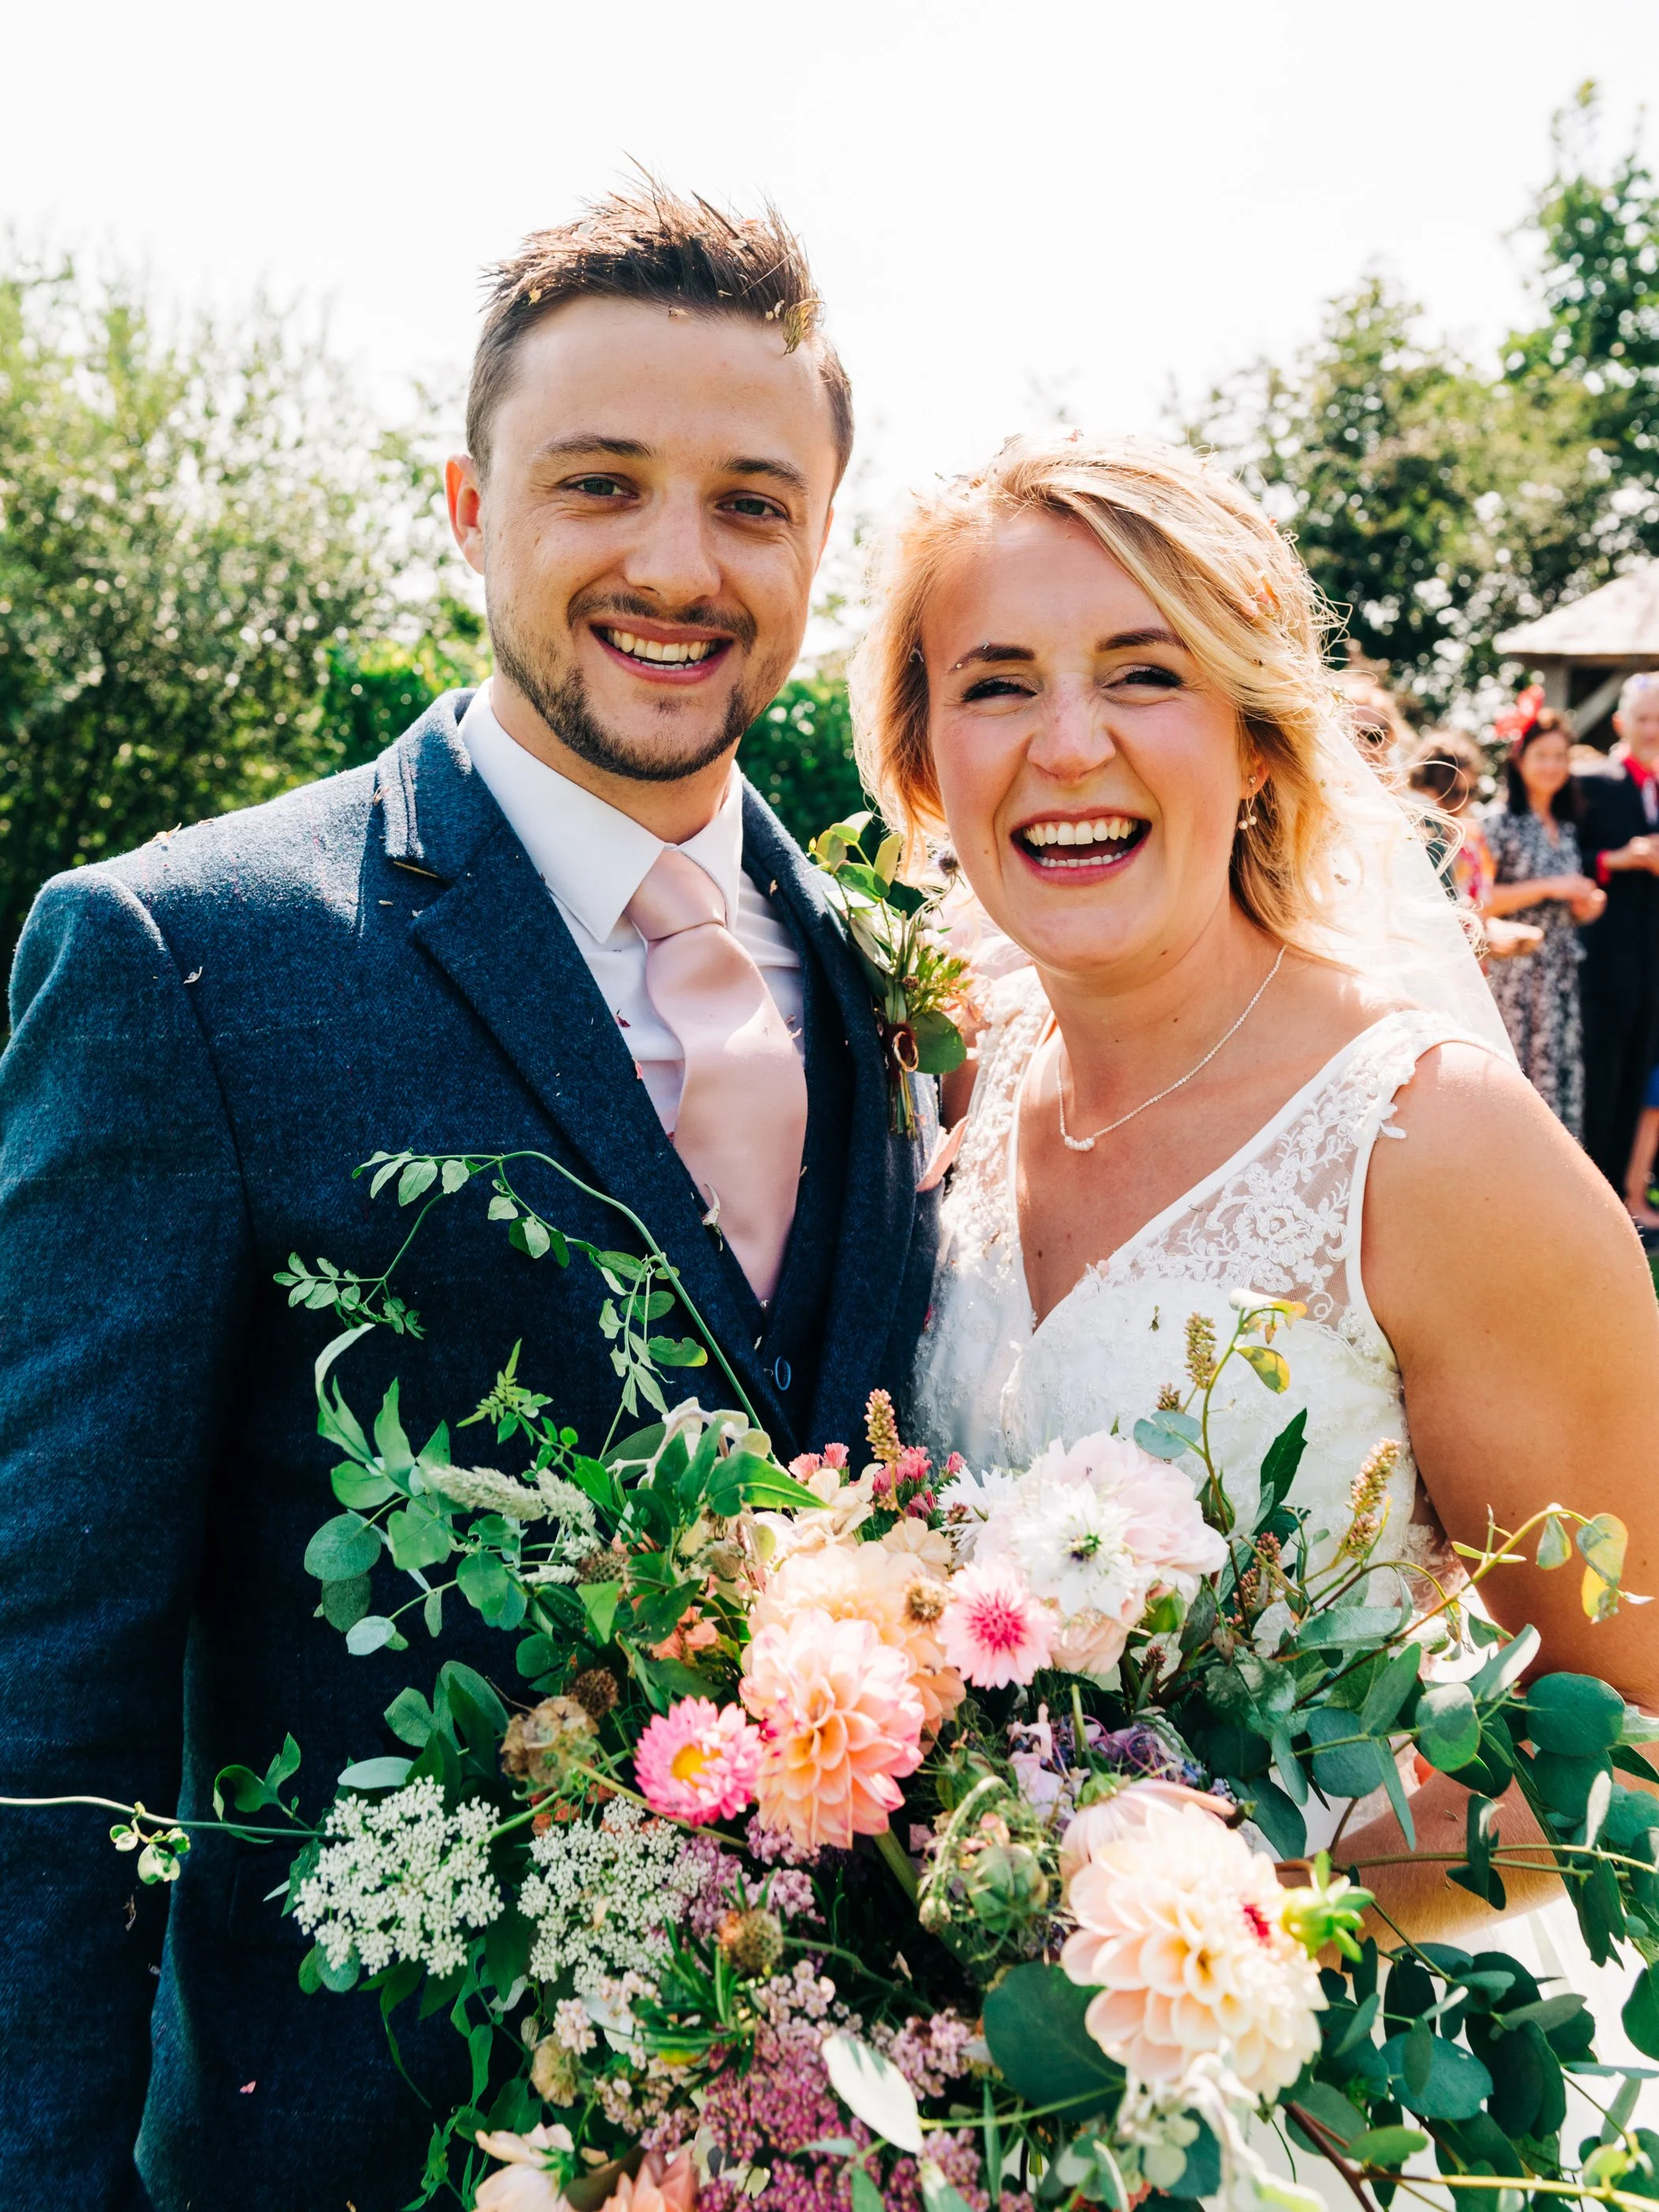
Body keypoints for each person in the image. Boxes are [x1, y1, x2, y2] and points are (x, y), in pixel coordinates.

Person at [0, 189, 940, 2212]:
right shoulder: (183, 958)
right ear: (466, 504)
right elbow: (44, 1676)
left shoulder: (887, 971)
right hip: (341, 2150)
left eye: (752, 504)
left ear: (822, 538)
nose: (677, 566)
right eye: (600, 483)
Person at [853, 432, 1658, 1948]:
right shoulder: (963, 1076)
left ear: (1261, 739)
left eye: (1146, 673)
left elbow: (1638, 1743)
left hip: (1289, 2101)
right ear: (923, 758)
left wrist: (1246, 1930)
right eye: (997, 680)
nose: (1068, 742)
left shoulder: (1433, 1144)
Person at [1479, 705, 1604, 1137]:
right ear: (1520, 760)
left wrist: (1581, 906)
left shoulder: (1565, 826)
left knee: (1559, 1089)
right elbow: (1478, 900)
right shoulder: (1497, 822)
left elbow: (1561, 897)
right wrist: (1552, 886)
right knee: (1518, 1088)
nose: (1552, 766)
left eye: (1560, 756)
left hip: (1559, 977)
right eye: (1542, 755)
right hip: (1516, 980)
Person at [1576, 672, 1659, 1198]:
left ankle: (1628, 1198)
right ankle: (1594, 1197)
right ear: (1620, 722)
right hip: (1604, 965)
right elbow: (1564, 859)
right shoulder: (1592, 784)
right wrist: (1617, 859)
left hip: (1654, 965)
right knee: (1601, 1080)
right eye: (1645, 718)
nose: (1654, 729)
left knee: (1640, 1082)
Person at [1404, 731, 1542, 961]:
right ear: (1423, 787)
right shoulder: (1413, 839)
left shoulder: (1472, 838)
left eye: (1470, 792)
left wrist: (1497, 932)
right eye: (1454, 792)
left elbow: (1476, 908)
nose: (1462, 802)